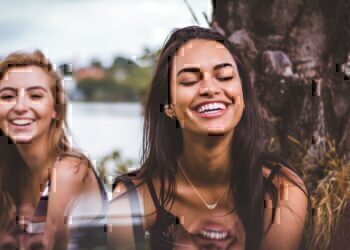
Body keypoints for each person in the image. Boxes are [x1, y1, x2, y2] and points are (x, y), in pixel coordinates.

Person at [109, 26, 308, 250]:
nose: (210, 88)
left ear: (242, 95)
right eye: (189, 81)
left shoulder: (280, 190)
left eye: (224, 76)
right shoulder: (131, 202)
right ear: (168, 107)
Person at [0, 50, 107, 250]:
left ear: (56, 110)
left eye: (35, 96)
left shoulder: (70, 170)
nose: (20, 106)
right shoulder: (7, 175)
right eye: (7, 96)